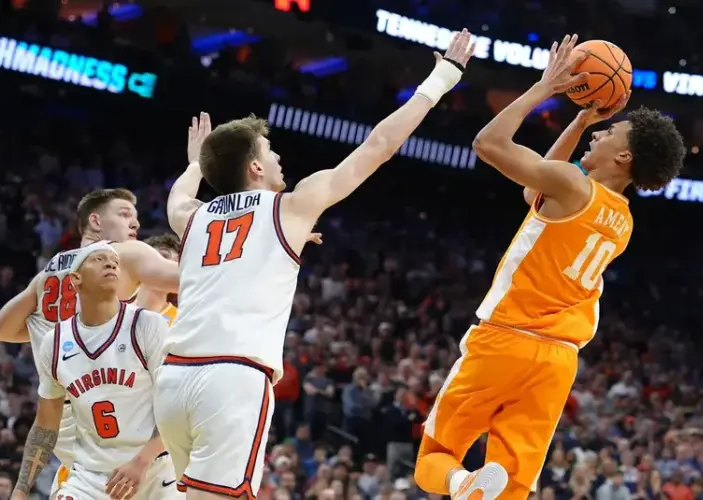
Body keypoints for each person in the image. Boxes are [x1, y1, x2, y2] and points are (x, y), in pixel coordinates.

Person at [153, 29, 476, 500]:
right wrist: (443, 75)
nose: (280, 157)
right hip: (231, 377)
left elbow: (178, 195)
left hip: (174, 381)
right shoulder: (292, 206)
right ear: (256, 168)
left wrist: (195, 166)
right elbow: (379, 145)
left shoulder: (193, 217)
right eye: (270, 152)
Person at [414, 34, 686, 500]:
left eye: (609, 134)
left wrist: (546, 88)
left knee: (432, 462)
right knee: (514, 487)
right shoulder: (622, 220)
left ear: (623, 157)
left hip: (505, 339)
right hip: (558, 361)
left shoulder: (571, 187)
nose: (600, 133)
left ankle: (464, 485)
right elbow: (533, 192)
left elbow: (488, 143)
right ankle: (485, 490)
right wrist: (581, 121)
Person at [0, 187, 182, 496]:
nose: (135, 225)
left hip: (69, 421)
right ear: (95, 221)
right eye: (124, 214)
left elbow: (0, 330)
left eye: (135, 217)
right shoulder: (124, 253)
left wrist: (47, 327)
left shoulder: (50, 271)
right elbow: (187, 277)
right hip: (104, 407)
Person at [135, 234, 181, 324]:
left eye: (178, 262)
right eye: (164, 256)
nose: (173, 265)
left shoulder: (180, 320)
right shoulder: (116, 306)